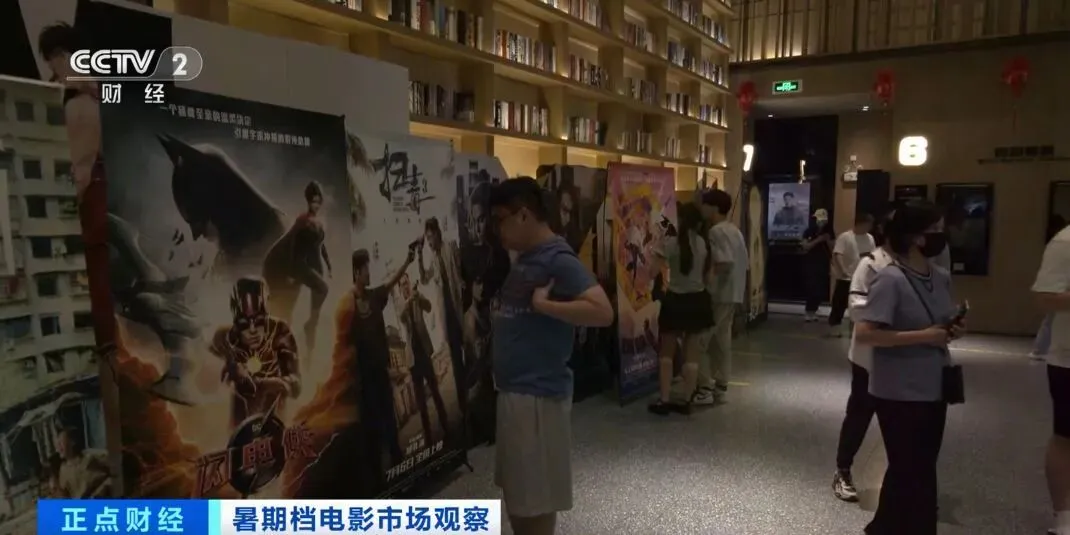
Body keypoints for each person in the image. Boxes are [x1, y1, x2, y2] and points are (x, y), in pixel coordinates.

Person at [489, 177, 613, 535]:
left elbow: (602, 311)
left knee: (535, 499)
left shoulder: (558, 259)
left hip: (537, 397)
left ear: (523, 215)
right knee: (521, 497)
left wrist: (547, 307)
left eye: (500, 219)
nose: (497, 229)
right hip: (517, 393)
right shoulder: (527, 257)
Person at [853, 200, 963, 535]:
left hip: (934, 385)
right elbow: (867, 334)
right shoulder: (889, 280)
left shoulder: (940, 278)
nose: (942, 237)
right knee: (908, 468)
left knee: (922, 466)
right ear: (916, 237)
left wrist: (951, 328)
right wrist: (924, 336)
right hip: (898, 390)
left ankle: (889, 526)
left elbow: (940, 320)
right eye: (935, 230)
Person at [831, 217, 895, 502]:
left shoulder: (923, 267)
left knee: (901, 424)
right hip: (868, 360)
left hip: (906, 362)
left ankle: (904, 481)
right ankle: (843, 469)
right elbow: (857, 309)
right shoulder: (871, 263)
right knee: (859, 414)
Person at [351, 248, 413, 487]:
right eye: (366, 268)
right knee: (373, 437)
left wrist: (407, 260)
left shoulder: (374, 297)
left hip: (381, 376)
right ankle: (378, 486)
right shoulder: (348, 308)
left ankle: (402, 477)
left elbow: (390, 283)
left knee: (390, 428)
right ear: (357, 272)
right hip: (364, 384)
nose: (369, 273)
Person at [649, 202, 714, 415]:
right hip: (698, 301)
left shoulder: (670, 241)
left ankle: (664, 400)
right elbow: (709, 278)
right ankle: (687, 401)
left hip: (675, 301)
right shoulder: (703, 243)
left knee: (666, 353)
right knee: (692, 355)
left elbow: (651, 272)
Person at [1031, 222, 1070, 535]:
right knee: (1066, 437)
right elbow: (1045, 297)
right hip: (1068, 359)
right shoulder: (1065, 241)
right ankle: (1064, 517)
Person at [698, 189, 748, 405]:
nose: (702, 208)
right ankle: (721, 384)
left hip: (719, 293)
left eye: (704, 204)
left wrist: (708, 279)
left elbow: (724, 261)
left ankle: (704, 387)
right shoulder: (735, 230)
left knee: (700, 340)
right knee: (722, 339)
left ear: (713, 207)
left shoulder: (716, 231)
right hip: (733, 293)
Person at [418, 218, 466, 416]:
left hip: (460, 310)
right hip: (448, 318)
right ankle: (464, 404)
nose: (430, 242)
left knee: (469, 353)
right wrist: (419, 254)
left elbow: (462, 271)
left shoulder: (451, 247)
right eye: (427, 239)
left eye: (431, 237)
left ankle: (474, 394)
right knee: (456, 361)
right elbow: (423, 278)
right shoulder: (433, 259)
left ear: (438, 233)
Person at [397, 273, 451, 443]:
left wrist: (419, 296)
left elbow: (428, 307)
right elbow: (402, 317)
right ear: (400, 289)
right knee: (421, 403)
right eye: (402, 285)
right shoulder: (401, 305)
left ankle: (446, 426)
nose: (406, 287)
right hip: (413, 360)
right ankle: (428, 438)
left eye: (407, 283)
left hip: (424, 354)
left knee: (435, 392)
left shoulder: (416, 298)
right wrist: (409, 301)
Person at [829, 213, 876, 336]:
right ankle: (835, 328)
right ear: (860, 224)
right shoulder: (845, 237)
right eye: (868, 225)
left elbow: (872, 255)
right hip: (847, 277)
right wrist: (843, 269)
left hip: (863, 278)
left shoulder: (870, 238)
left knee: (858, 304)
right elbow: (838, 254)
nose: (869, 228)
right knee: (839, 303)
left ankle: (855, 328)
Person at [54, 427, 112, 498]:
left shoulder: (90, 459)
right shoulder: (63, 470)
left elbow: (112, 471)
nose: (58, 448)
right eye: (57, 445)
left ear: (72, 442)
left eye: (60, 443)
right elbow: (65, 494)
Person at [801, 209, 835, 322]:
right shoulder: (809, 231)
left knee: (821, 288)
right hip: (811, 263)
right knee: (812, 287)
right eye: (819, 220)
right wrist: (818, 240)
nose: (821, 222)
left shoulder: (829, 232)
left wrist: (827, 240)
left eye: (823, 220)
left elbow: (833, 248)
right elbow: (805, 246)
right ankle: (808, 311)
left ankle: (814, 310)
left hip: (824, 263)